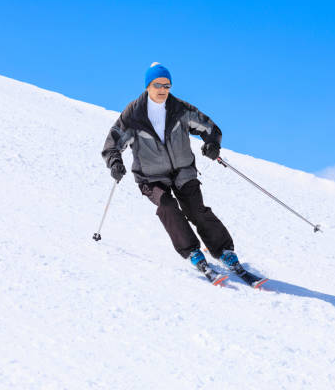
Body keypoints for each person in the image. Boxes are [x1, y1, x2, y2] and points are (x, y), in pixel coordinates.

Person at [101, 62, 243, 279]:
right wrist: (115, 163)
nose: (162, 90)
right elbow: (112, 144)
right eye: (158, 85)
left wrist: (212, 143)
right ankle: (192, 251)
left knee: (196, 210)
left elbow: (210, 128)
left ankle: (224, 251)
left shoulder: (180, 109)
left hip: (183, 170)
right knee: (168, 207)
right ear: (148, 85)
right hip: (151, 177)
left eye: (167, 86)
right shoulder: (133, 115)